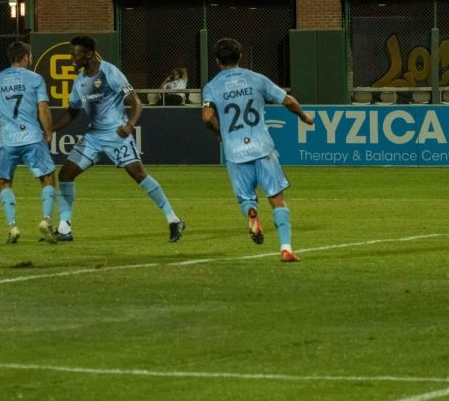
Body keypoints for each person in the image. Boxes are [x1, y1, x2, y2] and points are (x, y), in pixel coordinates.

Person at [52, 35, 184, 243]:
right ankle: (64, 228)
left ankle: (173, 219)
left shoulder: (110, 72)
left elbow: (136, 103)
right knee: (66, 174)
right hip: (93, 137)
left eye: (75, 55)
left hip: (116, 135)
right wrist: (51, 129)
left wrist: (129, 125)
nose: (71, 59)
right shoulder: (79, 81)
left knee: (139, 175)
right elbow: (72, 112)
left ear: (88, 54)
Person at [201, 38, 314, 263]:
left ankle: (252, 214)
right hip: (262, 148)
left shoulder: (212, 86)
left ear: (216, 60)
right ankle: (286, 248)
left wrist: (221, 134)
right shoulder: (256, 79)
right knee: (277, 198)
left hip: (235, 152)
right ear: (240, 56)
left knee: (246, 200)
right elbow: (288, 100)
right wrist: (304, 116)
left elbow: (206, 117)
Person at [0, 41, 58, 244]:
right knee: (48, 177)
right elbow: (43, 108)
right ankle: (46, 220)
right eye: (30, 57)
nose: (30, 60)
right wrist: (48, 131)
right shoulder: (35, 79)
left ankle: (12, 226)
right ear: (25, 57)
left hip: (7, 140)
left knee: (4, 181)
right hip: (32, 137)